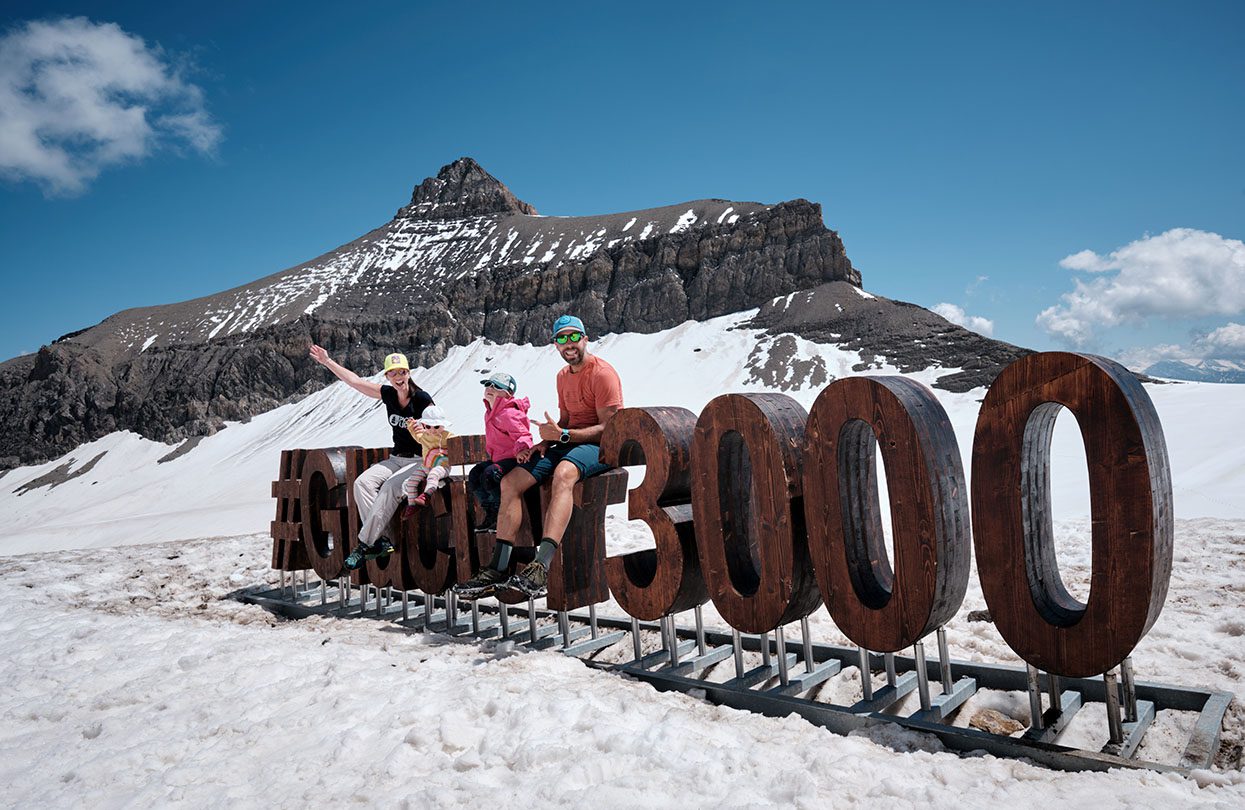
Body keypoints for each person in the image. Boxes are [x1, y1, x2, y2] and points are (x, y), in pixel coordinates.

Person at [454, 315, 623, 599]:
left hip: (601, 446)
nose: (568, 344)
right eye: (561, 338)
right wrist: (546, 441)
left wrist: (564, 435)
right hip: (568, 443)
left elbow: (611, 428)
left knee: (564, 474)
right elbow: (567, 419)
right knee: (511, 481)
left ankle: (540, 567)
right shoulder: (562, 376)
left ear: (585, 338)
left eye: (573, 337)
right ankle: (498, 566)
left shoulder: (602, 373)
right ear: (555, 344)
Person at [308, 345, 434, 570]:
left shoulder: (422, 399)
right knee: (362, 483)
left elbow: (439, 428)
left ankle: (364, 544)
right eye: (393, 373)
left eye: (402, 372)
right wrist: (327, 361)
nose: (398, 377)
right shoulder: (388, 394)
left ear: (409, 373)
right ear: (387, 376)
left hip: (419, 461)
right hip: (397, 459)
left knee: (389, 489)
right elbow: (356, 382)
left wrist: (424, 432)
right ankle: (381, 540)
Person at [468, 372, 532, 533]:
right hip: (499, 458)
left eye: (497, 386)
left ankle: (502, 514)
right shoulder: (490, 413)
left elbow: (523, 434)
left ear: (507, 393)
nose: (490, 388)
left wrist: (522, 449)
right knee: (476, 474)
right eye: (488, 384)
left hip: (513, 459)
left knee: (491, 475)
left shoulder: (509, 412)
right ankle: (491, 512)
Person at [401, 406, 455, 515]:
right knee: (411, 482)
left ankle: (426, 495)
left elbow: (457, 444)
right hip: (426, 466)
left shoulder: (448, 436)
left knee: (433, 475)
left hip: (442, 467)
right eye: (428, 426)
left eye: (436, 426)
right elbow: (415, 433)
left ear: (443, 425)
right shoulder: (424, 436)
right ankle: (412, 505)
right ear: (424, 425)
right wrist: (411, 424)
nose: (432, 430)